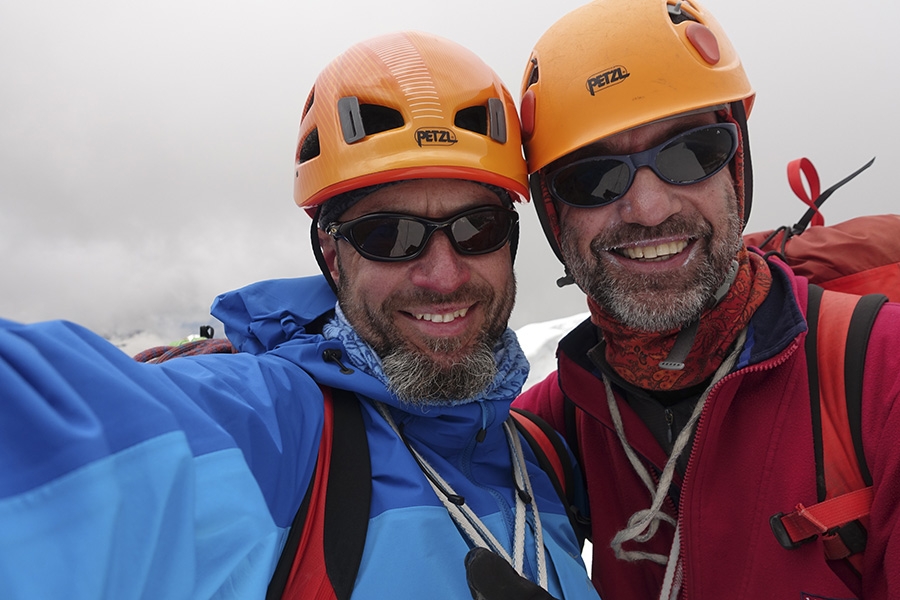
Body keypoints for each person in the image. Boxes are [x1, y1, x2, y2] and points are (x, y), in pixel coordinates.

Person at [0, 31, 599, 599]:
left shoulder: (544, 455)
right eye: (389, 235)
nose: (443, 275)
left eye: (478, 228)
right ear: (332, 258)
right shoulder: (282, 432)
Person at [513, 1, 900, 599]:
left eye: (689, 153)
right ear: (553, 214)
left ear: (736, 166)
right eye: (592, 178)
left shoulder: (881, 371)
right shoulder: (554, 427)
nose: (649, 208)